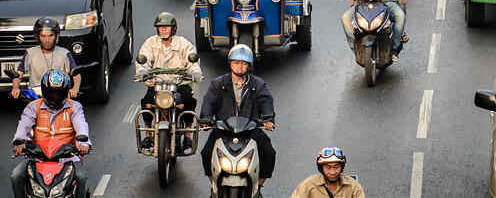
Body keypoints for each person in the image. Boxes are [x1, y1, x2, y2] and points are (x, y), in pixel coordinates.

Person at [199, 46, 276, 189]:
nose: (240, 67)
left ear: (249, 65)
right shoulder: (218, 84)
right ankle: (214, 184)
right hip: (223, 129)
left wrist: (268, 119)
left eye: (244, 63)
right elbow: (209, 101)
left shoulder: (258, 84)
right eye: (236, 62)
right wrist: (205, 118)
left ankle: (258, 185)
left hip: (250, 129)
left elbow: (266, 101)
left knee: (269, 152)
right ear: (230, 63)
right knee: (206, 153)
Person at [10, 70, 90, 198]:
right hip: (37, 157)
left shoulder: (74, 107)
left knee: (81, 177)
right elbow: (23, 126)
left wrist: (83, 144)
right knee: (16, 175)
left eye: (58, 93)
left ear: (65, 92)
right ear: (44, 91)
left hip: (67, 158)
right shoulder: (33, 107)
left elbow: (81, 126)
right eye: (51, 92)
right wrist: (19, 142)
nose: (54, 96)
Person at [136, 12, 202, 150]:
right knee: (147, 102)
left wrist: (195, 72)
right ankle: (148, 133)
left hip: (179, 83)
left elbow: (192, 60)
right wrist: (142, 71)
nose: (163, 29)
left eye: (166, 26)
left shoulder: (183, 43)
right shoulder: (150, 42)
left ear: (173, 28)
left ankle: (188, 134)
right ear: (157, 29)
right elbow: (144, 59)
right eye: (161, 27)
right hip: (157, 84)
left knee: (189, 100)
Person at [11, 17, 80, 100]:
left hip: (60, 94)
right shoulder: (30, 53)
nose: (47, 40)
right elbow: (19, 73)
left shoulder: (65, 53)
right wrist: (15, 87)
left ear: (56, 36)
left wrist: (75, 89)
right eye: (43, 36)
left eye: (51, 35)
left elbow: (76, 74)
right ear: (38, 37)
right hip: (36, 96)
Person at [291, 147, 366, 198]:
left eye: (336, 167)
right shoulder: (308, 185)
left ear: (341, 167)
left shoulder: (353, 186)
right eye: (328, 167)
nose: (333, 172)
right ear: (321, 168)